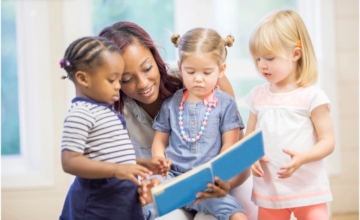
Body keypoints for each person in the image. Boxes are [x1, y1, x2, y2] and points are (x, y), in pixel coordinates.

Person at [99, 22, 256, 220]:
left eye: (147, 68)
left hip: (215, 183)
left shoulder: (208, 85)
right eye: (126, 79)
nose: (143, 83)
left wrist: (219, 182)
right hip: (172, 182)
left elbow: (237, 156)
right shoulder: (120, 114)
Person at [58, 36, 167, 220]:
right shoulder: (80, 113)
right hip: (95, 208)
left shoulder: (109, 112)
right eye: (112, 80)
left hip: (122, 205)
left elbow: (114, 157)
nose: (118, 86)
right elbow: (70, 161)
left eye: (119, 79)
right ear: (83, 78)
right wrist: (117, 170)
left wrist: (142, 163)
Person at [244, 10, 335, 220]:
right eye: (257, 58)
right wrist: (250, 156)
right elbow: (248, 138)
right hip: (270, 191)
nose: (261, 65)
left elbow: (328, 141)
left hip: (309, 189)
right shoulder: (257, 96)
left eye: (269, 57)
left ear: (295, 54)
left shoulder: (312, 96)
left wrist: (304, 158)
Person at [151, 28, 248, 220]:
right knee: (143, 200)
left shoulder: (226, 104)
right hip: (174, 179)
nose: (198, 78)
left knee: (234, 213)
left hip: (206, 182)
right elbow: (159, 141)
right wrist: (159, 161)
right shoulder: (171, 104)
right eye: (190, 71)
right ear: (180, 68)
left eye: (206, 72)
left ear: (221, 70)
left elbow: (230, 144)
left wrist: (219, 173)